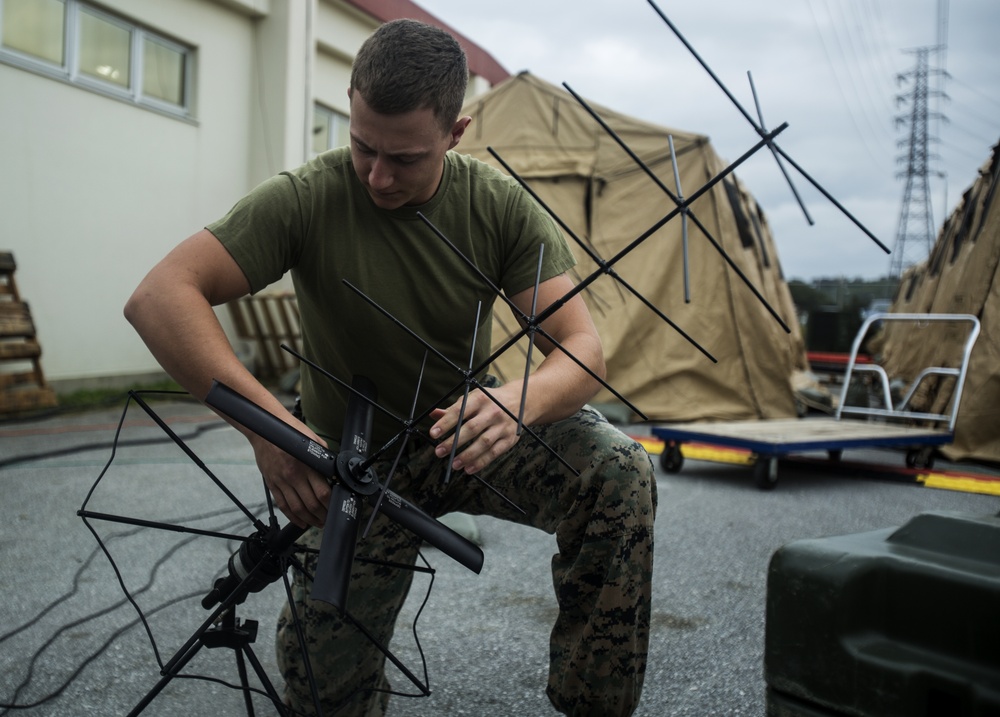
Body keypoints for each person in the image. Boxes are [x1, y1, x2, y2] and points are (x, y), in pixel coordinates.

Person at [125, 18, 656, 717]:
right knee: (323, 686)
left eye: (404, 158)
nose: (377, 175)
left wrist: (520, 401)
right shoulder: (308, 196)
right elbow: (159, 297)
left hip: (464, 434)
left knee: (620, 473)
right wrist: (272, 436)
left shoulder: (496, 206)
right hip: (350, 462)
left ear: (456, 133)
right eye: (362, 146)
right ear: (349, 105)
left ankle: (596, 703)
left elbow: (582, 346)